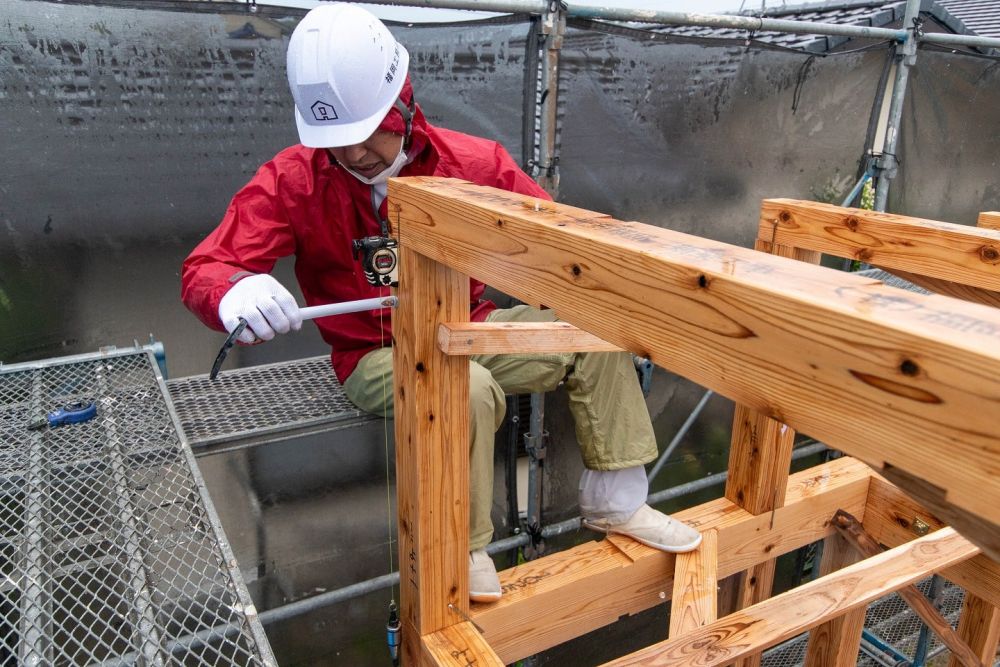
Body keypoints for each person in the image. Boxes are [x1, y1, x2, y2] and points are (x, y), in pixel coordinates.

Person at [181, 3, 701, 603]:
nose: (353, 154)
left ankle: (617, 502)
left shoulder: (470, 165)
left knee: (590, 327)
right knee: (466, 385)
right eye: (338, 140)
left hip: (468, 325)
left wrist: (612, 268)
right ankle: (463, 546)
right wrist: (233, 293)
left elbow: (558, 240)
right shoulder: (295, 180)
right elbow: (206, 268)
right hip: (373, 354)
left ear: (402, 100)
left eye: (368, 130)